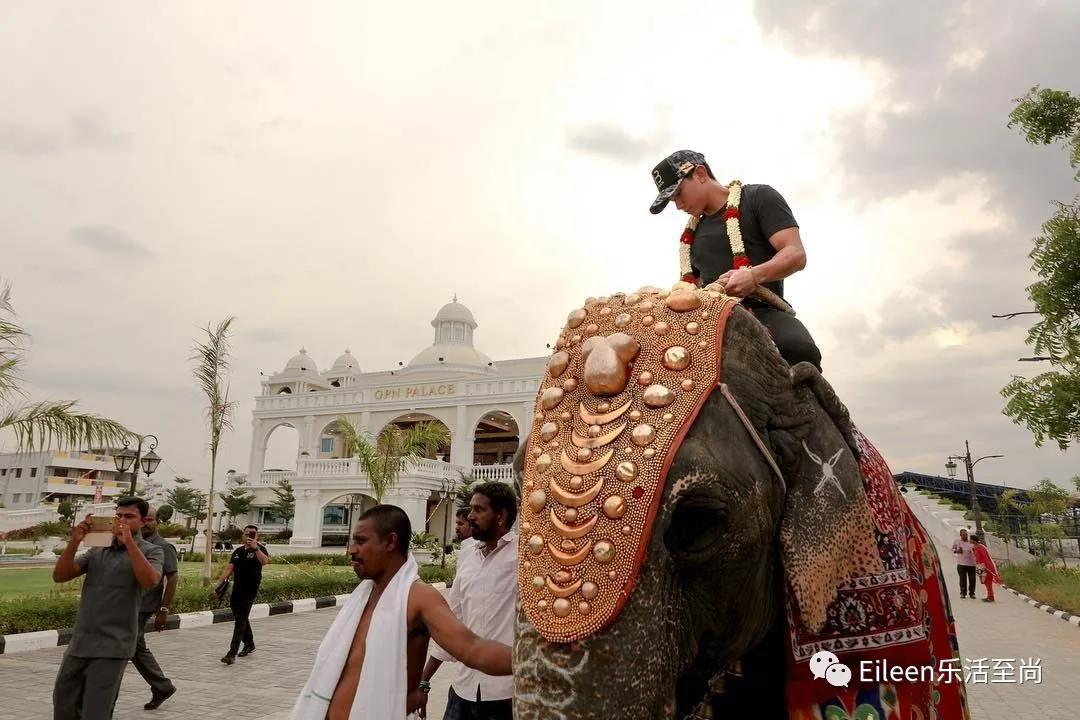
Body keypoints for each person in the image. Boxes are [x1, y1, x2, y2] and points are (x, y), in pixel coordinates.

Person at [289, 505, 512, 720]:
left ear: (390, 542)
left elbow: (472, 648)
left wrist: (527, 661)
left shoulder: (418, 597)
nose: (352, 550)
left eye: (361, 541)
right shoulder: (364, 597)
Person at [649, 149, 822, 369]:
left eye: (679, 193)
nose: (679, 205)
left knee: (800, 349)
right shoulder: (690, 236)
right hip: (710, 321)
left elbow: (795, 253)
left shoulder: (758, 197)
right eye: (673, 200)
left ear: (700, 174)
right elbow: (691, 288)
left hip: (762, 311)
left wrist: (753, 275)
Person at [51, 497, 164, 720]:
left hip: (114, 645)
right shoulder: (98, 550)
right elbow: (60, 576)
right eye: (119, 515)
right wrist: (74, 542)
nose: (122, 520)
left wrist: (129, 543)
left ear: (142, 521)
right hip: (81, 642)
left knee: (95, 711)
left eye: (129, 516)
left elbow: (150, 581)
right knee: (63, 705)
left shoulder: (152, 551)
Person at [419, 482, 518, 720]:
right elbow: (454, 622)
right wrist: (424, 680)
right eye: (471, 509)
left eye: (479, 510)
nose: (470, 516)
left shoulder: (523, 557)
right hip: (463, 690)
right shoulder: (469, 558)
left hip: (506, 694)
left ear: (501, 516)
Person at [128, 506, 179, 709]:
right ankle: (162, 686)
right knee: (134, 647)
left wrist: (164, 610)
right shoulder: (134, 543)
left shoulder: (163, 546)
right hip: (129, 602)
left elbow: (172, 578)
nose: (146, 524)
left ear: (157, 522)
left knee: (129, 645)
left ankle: (162, 686)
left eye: (150, 520)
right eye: (144, 519)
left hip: (144, 604)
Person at [214, 524, 269, 664]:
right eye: (247, 534)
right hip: (237, 589)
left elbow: (265, 561)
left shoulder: (260, 549)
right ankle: (249, 643)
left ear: (257, 536)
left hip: (250, 590)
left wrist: (256, 548)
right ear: (243, 535)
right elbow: (229, 569)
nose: (249, 536)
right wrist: (218, 585)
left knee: (240, 621)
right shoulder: (238, 551)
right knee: (240, 617)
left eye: (252, 534)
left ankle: (231, 653)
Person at [971, 534, 1001, 602]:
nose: (970, 541)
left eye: (971, 539)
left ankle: (991, 596)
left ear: (974, 540)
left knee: (988, 581)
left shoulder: (981, 547)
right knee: (984, 582)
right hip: (979, 566)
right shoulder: (975, 547)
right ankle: (989, 596)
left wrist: (987, 567)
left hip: (984, 566)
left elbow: (985, 558)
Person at [951, 528, 977, 599]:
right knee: (962, 579)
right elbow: (952, 549)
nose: (965, 536)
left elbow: (976, 549)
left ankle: (972, 593)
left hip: (971, 564)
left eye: (966, 534)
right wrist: (957, 551)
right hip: (961, 563)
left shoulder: (971, 542)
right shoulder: (957, 541)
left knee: (972, 579)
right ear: (960, 535)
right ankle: (963, 593)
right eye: (963, 535)